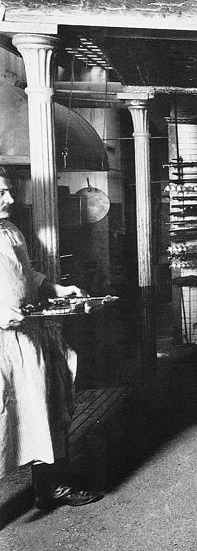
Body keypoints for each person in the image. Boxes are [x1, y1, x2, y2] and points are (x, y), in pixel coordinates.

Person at [0, 169, 102, 509]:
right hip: (3, 344)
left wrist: (56, 289)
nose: (10, 199)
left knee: (46, 408)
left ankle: (51, 486)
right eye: (2, 193)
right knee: (7, 418)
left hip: (29, 337)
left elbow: (27, 274)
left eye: (9, 191)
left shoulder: (11, 232)